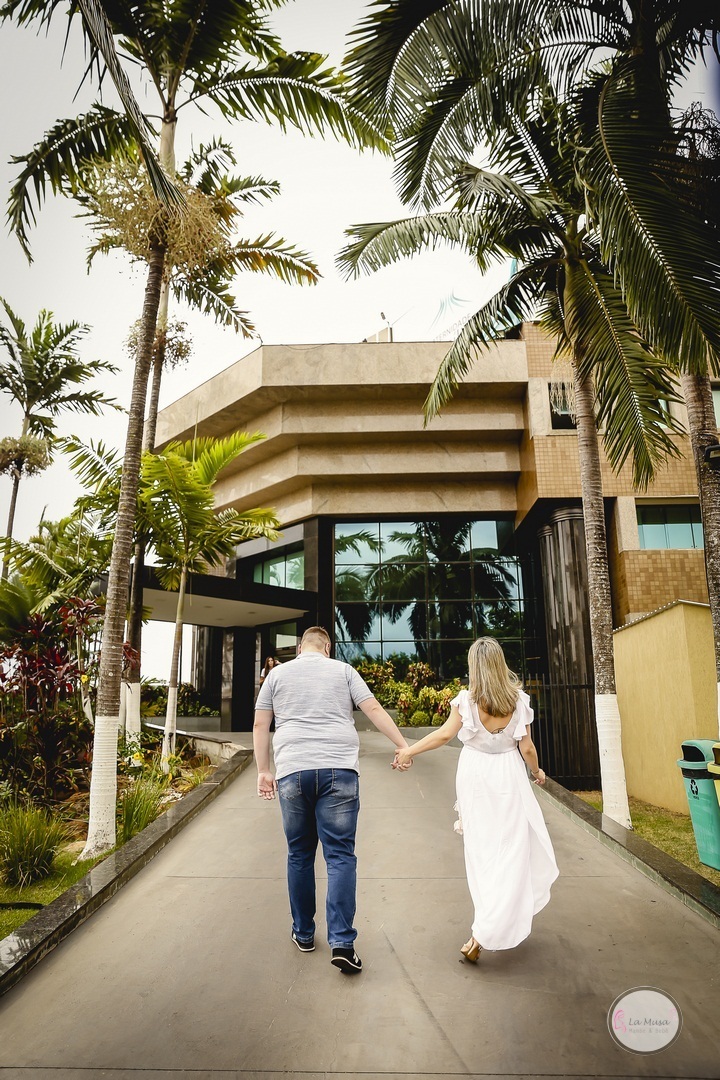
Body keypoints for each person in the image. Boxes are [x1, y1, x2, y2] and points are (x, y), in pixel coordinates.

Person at [253, 626, 412, 974]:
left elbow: (261, 724)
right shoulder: (343, 670)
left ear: (299, 648)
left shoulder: (277, 675)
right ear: (327, 646)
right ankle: (342, 942)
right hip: (339, 770)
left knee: (299, 853)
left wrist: (264, 770)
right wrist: (403, 744)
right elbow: (373, 709)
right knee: (340, 855)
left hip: (293, 770)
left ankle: (304, 934)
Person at [393, 637, 558, 962]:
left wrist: (408, 751)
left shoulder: (466, 702)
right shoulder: (518, 700)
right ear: (500, 664)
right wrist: (537, 773)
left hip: (475, 777)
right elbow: (526, 748)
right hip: (509, 776)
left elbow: (443, 735)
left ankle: (482, 930)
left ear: (475, 667)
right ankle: (487, 927)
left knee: (482, 854)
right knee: (511, 851)